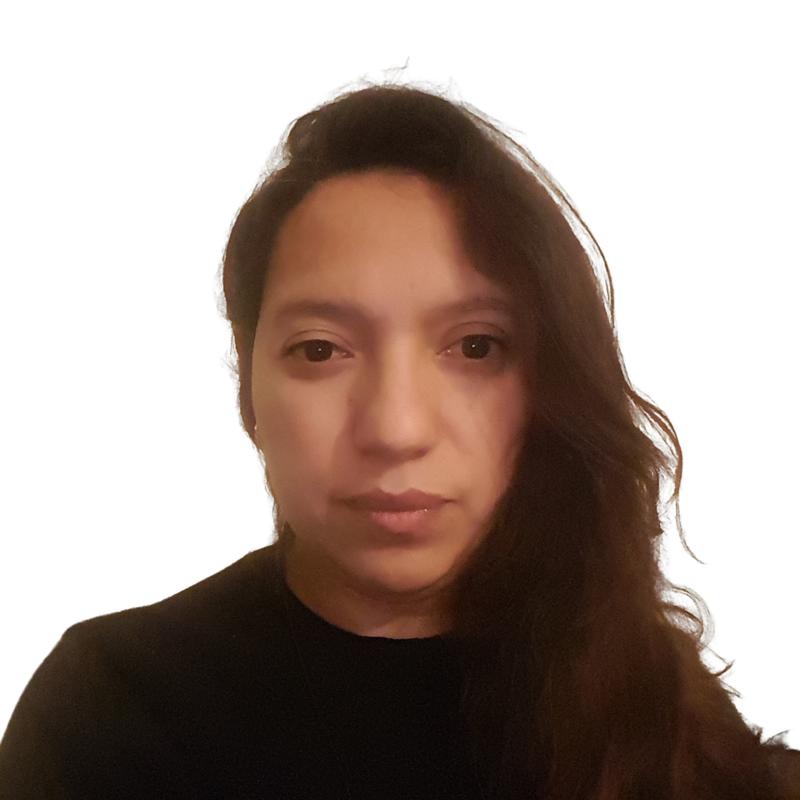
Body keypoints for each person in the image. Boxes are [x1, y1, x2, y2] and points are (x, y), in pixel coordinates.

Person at [0, 81, 797, 800]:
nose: (396, 430)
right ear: (249, 389)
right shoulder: (114, 708)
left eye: (476, 347)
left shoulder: (647, 690)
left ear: (550, 383)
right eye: (321, 350)